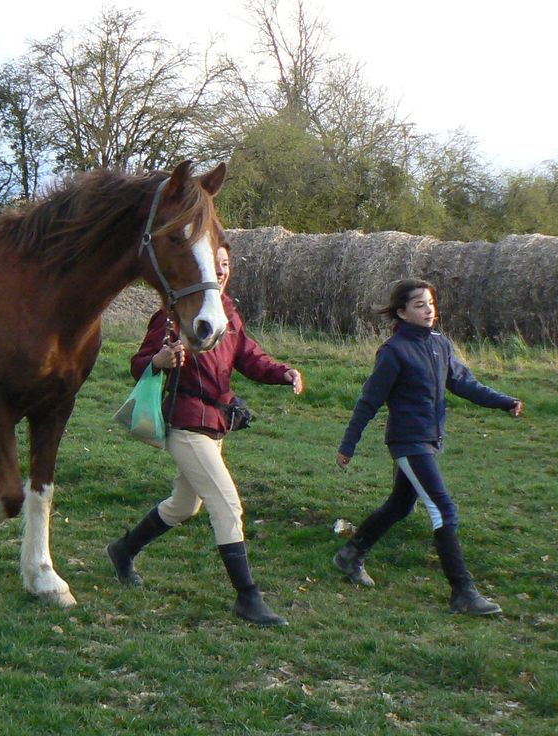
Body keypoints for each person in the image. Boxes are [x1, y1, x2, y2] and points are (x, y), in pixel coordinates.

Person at [106, 245, 304, 626]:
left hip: (215, 424)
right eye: (214, 265)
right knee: (226, 503)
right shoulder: (172, 315)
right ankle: (247, 597)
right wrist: (157, 362)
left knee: (184, 506)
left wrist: (283, 372)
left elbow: (249, 357)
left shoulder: (226, 311)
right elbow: (138, 364)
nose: (221, 271)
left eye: (226, 265)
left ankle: (123, 550)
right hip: (184, 422)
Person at [334, 278, 523, 615]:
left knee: (400, 506)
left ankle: (351, 555)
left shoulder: (440, 344)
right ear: (402, 312)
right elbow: (368, 401)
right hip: (408, 442)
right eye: (420, 304)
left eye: (431, 303)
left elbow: (465, 384)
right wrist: (349, 443)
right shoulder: (393, 352)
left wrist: (503, 402)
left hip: (429, 441)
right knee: (443, 509)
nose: (429, 309)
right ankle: (463, 592)